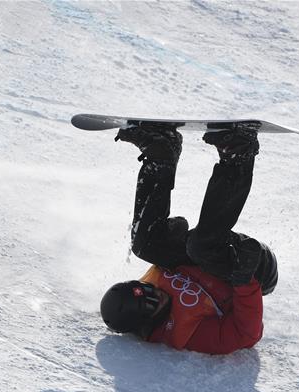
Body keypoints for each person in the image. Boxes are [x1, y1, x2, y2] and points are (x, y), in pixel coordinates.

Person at [99, 122, 278, 355]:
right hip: (246, 269)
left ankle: (161, 152)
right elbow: (245, 334)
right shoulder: (184, 333)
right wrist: (244, 281)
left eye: (147, 287)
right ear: (146, 318)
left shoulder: (145, 290)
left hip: (200, 257)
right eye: (155, 300)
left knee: (145, 245)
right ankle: (239, 153)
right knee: (201, 247)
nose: (157, 291)